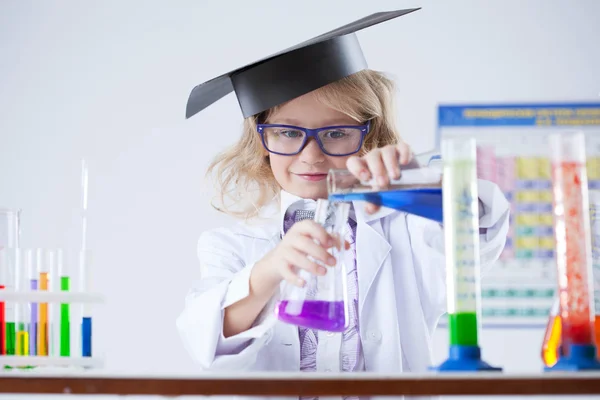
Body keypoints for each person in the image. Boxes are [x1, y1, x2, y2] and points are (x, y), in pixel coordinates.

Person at [176, 7, 510, 398]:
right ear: (260, 139)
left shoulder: (406, 225)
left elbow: (477, 220)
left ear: (368, 135)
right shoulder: (231, 245)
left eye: (336, 132)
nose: (310, 155)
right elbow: (209, 341)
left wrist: (416, 182)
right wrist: (268, 270)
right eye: (286, 133)